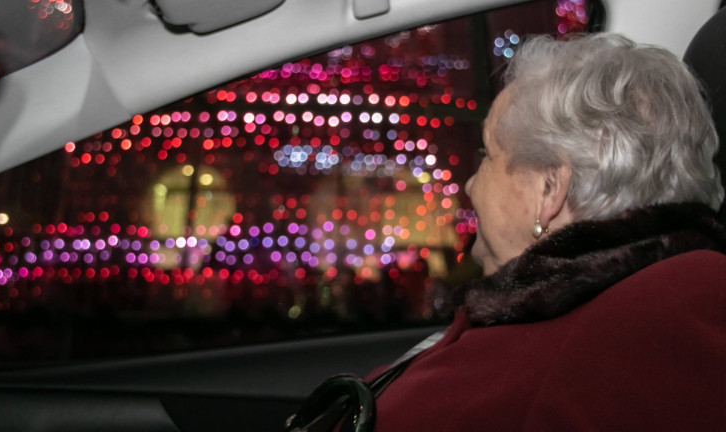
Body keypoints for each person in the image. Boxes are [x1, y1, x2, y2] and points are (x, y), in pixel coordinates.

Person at [289, 33, 726, 431]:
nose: (469, 184)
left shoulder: (596, 348)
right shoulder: (651, 304)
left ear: (548, 189)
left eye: (487, 155)